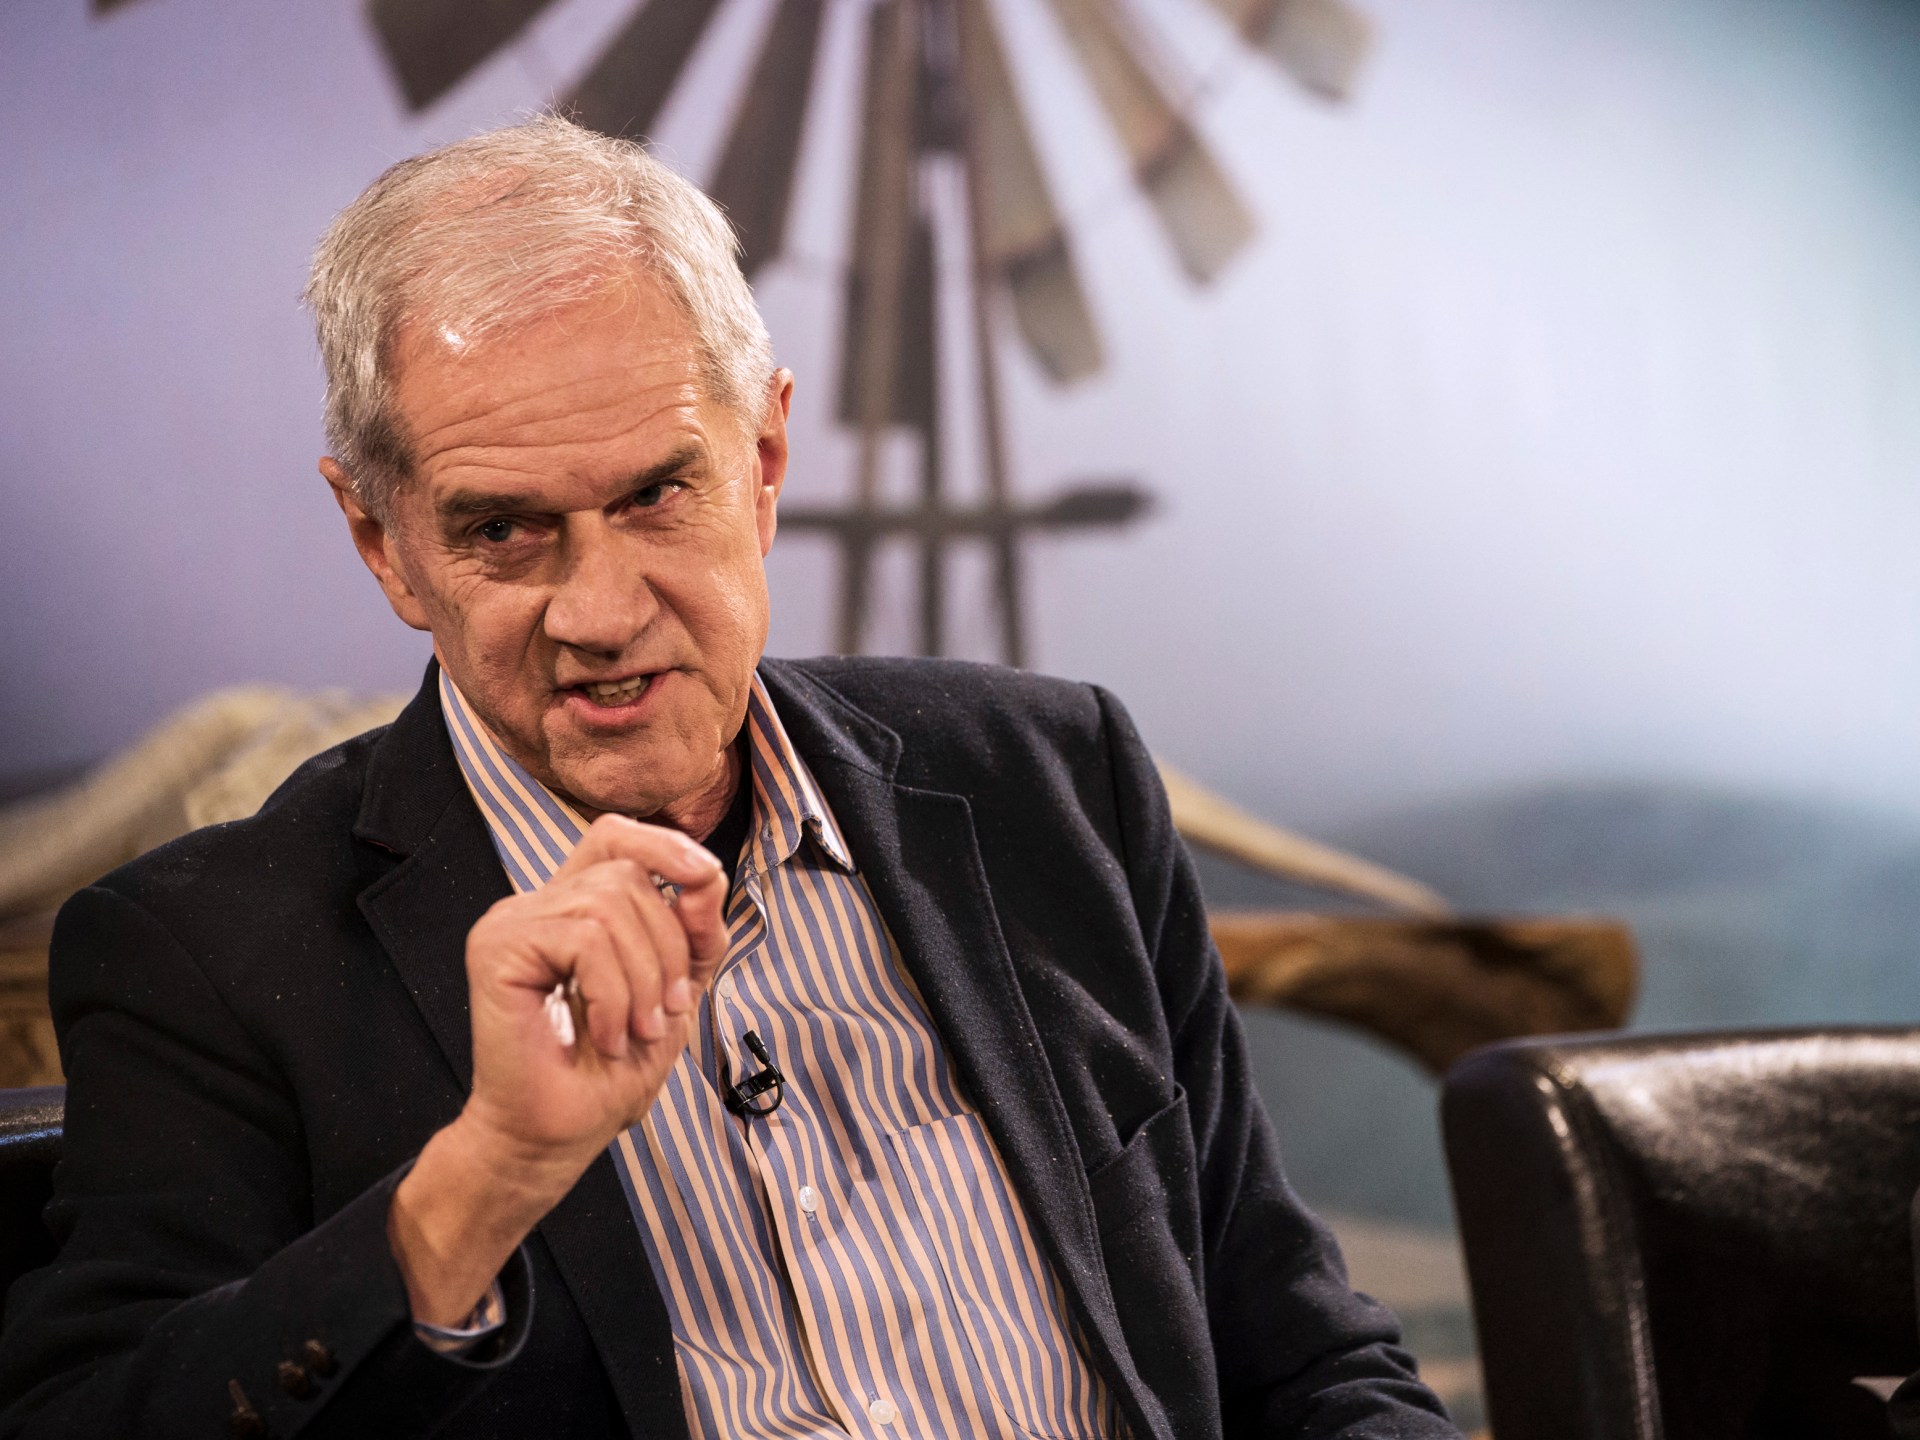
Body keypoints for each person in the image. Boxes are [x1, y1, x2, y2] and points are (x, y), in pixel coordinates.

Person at [0, 116, 1460, 1440]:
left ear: (763, 461)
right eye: (503, 531)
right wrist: (484, 1179)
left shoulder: (1053, 783)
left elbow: (1306, 1366)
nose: (601, 612)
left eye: (658, 494)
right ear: (385, 546)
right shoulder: (208, 956)